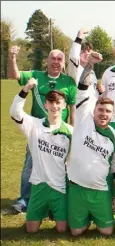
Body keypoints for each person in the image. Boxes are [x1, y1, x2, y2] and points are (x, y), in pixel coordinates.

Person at [8, 46, 77, 214]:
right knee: (30, 165)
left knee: (61, 166)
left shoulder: (69, 81)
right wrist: (12, 58)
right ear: (47, 61)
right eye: (52, 58)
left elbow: (73, 109)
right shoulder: (36, 76)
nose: (56, 62)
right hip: (37, 129)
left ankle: (60, 198)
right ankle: (24, 199)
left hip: (59, 132)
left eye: (59, 59)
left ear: (63, 63)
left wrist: (74, 131)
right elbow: (14, 75)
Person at [67, 52, 115, 236]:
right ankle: (84, 217)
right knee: (76, 232)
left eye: (108, 111)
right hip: (77, 186)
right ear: (94, 110)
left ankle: (96, 214)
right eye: (100, 110)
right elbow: (82, 87)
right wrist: (90, 65)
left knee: (107, 232)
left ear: (112, 115)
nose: (103, 114)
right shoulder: (84, 118)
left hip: (100, 191)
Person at [10, 80, 72, 233]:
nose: (54, 106)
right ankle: (42, 210)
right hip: (38, 185)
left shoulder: (70, 131)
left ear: (64, 105)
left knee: (62, 229)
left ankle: (54, 211)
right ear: (45, 105)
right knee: (31, 230)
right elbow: (15, 113)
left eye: (58, 103)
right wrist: (25, 89)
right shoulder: (34, 125)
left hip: (59, 187)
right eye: (50, 102)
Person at [67, 28, 103, 98]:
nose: (86, 54)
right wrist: (79, 36)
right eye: (83, 51)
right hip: (78, 106)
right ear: (79, 54)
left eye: (89, 51)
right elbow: (74, 56)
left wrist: (99, 91)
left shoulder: (91, 72)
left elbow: (92, 94)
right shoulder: (75, 68)